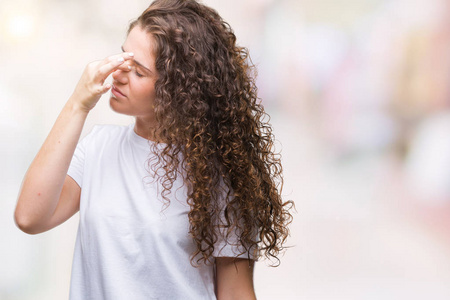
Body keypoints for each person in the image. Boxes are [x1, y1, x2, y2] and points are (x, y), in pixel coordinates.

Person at [14, 0, 293, 299]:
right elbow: (30, 218)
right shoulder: (98, 148)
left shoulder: (220, 177)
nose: (119, 73)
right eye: (123, 57)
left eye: (138, 71)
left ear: (178, 90)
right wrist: (78, 103)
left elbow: (235, 293)